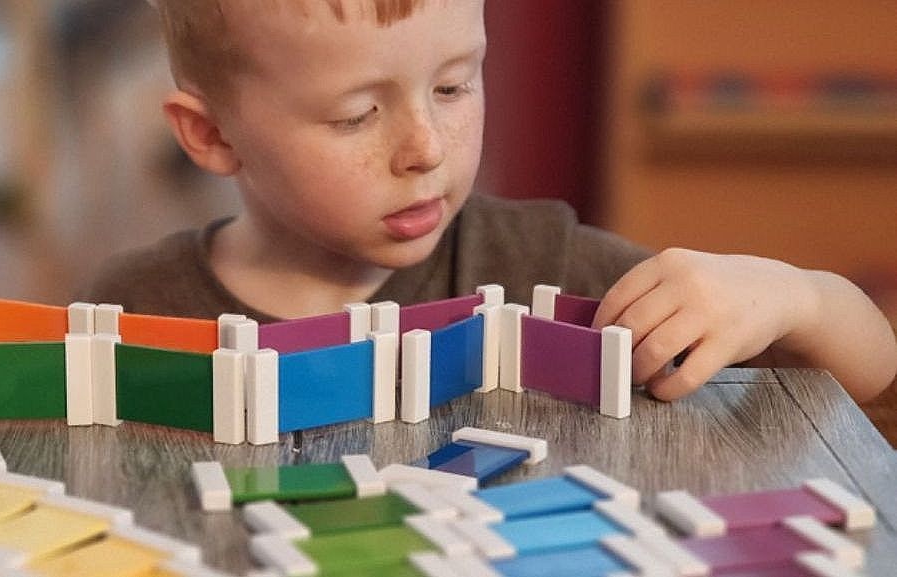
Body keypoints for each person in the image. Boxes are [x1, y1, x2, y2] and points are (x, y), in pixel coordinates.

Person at [87, 0, 897, 403]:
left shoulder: (543, 264)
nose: (426, 149)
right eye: (356, 115)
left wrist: (797, 296)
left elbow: (872, 371)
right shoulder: (127, 316)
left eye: (453, 85)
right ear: (211, 136)